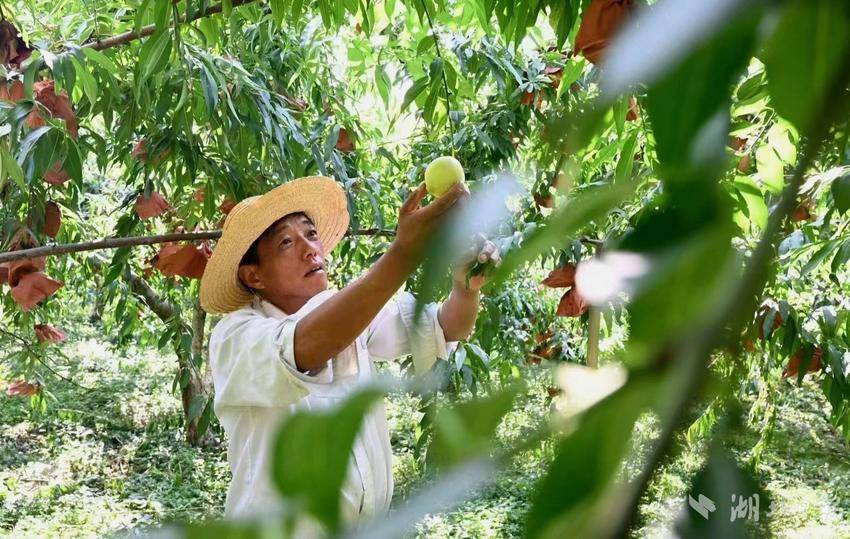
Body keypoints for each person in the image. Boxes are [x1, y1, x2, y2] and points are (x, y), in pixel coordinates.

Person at [199, 175, 499, 531]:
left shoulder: (348, 309)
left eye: (311, 234)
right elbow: (306, 347)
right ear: (254, 277)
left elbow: (446, 327)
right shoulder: (235, 335)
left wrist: (465, 288)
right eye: (285, 243)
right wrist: (402, 254)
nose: (310, 249)